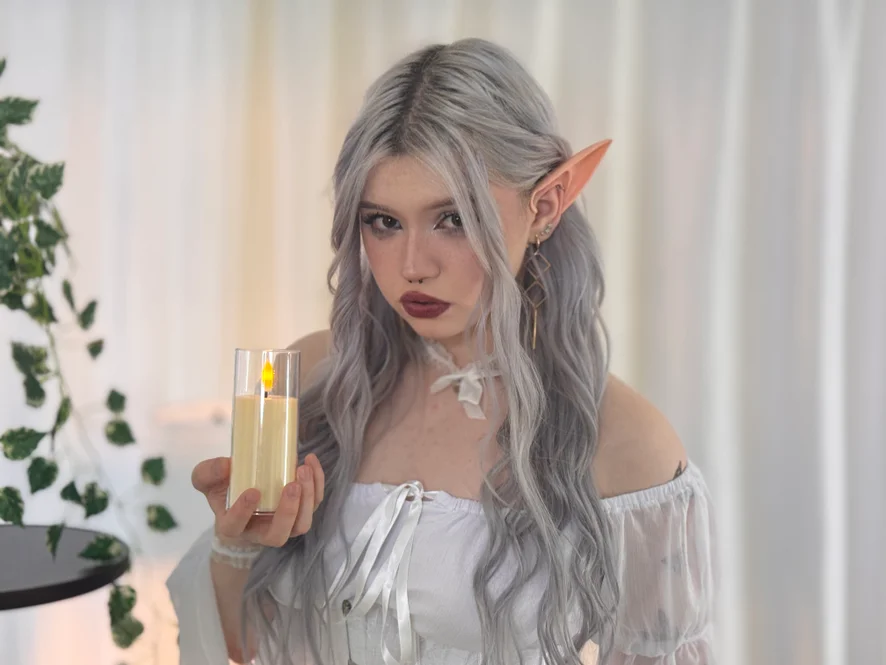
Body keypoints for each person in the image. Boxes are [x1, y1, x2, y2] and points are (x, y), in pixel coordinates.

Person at [167, 38, 717, 665]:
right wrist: (240, 542)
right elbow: (241, 646)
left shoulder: (626, 443)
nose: (413, 266)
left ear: (544, 208)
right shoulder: (316, 380)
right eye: (384, 221)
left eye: (452, 219)